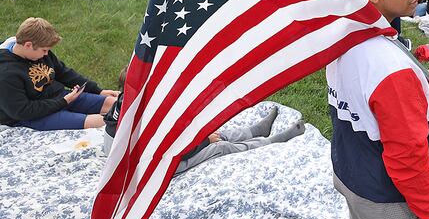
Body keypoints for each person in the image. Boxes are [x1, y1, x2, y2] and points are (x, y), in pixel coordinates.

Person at [324, 0, 429, 219]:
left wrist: (419, 83)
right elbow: (407, 157)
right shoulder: (390, 68)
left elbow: (365, 98)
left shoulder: (344, 35)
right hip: (387, 199)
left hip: (351, 173)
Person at [103, 69, 304, 175]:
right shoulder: (144, 119)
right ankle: (271, 142)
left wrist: (201, 136)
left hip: (146, 155)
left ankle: (256, 130)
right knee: (220, 146)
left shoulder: (128, 103)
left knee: (211, 133)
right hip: (149, 168)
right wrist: (205, 142)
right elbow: (171, 152)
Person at [0, 17, 118, 130]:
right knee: (101, 122)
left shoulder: (38, 52)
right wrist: (63, 102)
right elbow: (22, 111)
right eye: (44, 50)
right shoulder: (6, 74)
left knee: (115, 104)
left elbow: (63, 73)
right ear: (28, 45)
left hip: (60, 97)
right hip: (34, 114)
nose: (46, 54)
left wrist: (98, 91)